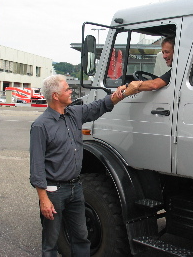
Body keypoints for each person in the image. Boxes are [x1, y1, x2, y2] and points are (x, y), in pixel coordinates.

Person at [29, 74, 126, 256]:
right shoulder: (40, 126)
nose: (71, 91)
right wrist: (44, 199)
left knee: (81, 237)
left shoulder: (74, 114)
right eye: (67, 89)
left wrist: (120, 94)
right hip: (53, 192)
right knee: (51, 241)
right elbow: (36, 166)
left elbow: (99, 106)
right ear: (56, 96)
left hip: (75, 188)